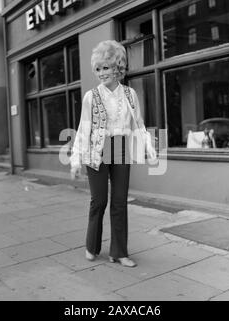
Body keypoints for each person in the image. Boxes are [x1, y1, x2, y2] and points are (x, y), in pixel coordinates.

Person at [69, 40, 157, 268]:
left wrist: (149, 148)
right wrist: (75, 159)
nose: (101, 73)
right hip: (96, 150)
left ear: (118, 67)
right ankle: (92, 246)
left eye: (105, 67)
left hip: (121, 149)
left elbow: (139, 125)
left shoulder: (130, 94)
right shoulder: (91, 96)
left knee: (119, 203)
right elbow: (82, 128)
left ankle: (118, 252)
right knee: (99, 201)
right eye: (98, 69)